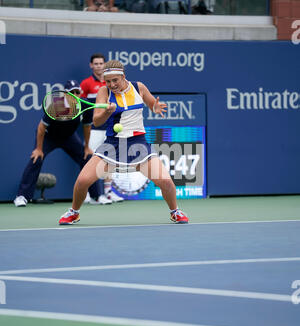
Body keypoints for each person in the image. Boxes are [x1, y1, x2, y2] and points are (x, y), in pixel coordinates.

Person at [59, 60, 189, 225]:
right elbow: (97, 122)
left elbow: (151, 104)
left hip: (138, 145)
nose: (112, 84)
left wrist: (155, 107)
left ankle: (175, 211)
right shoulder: (103, 92)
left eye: (115, 80)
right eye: (108, 81)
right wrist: (107, 112)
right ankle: (74, 212)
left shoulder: (138, 87)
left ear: (123, 76)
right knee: (82, 181)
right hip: (112, 146)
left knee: (166, 182)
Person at [13, 80, 101, 207]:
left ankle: (96, 196)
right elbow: (41, 127)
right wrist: (38, 148)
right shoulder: (56, 105)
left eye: (77, 92)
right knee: (36, 158)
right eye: (72, 92)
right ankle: (22, 196)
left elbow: (86, 126)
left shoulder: (84, 106)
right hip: (50, 137)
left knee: (87, 158)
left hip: (69, 138)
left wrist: (87, 147)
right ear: (65, 94)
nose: (75, 94)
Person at [80, 53, 124, 204]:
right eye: (96, 63)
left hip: (110, 128)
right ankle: (85, 192)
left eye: (101, 63)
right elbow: (81, 104)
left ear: (104, 65)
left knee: (110, 160)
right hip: (93, 128)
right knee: (89, 159)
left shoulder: (111, 83)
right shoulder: (86, 84)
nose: (98, 66)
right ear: (91, 66)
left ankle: (108, 192)